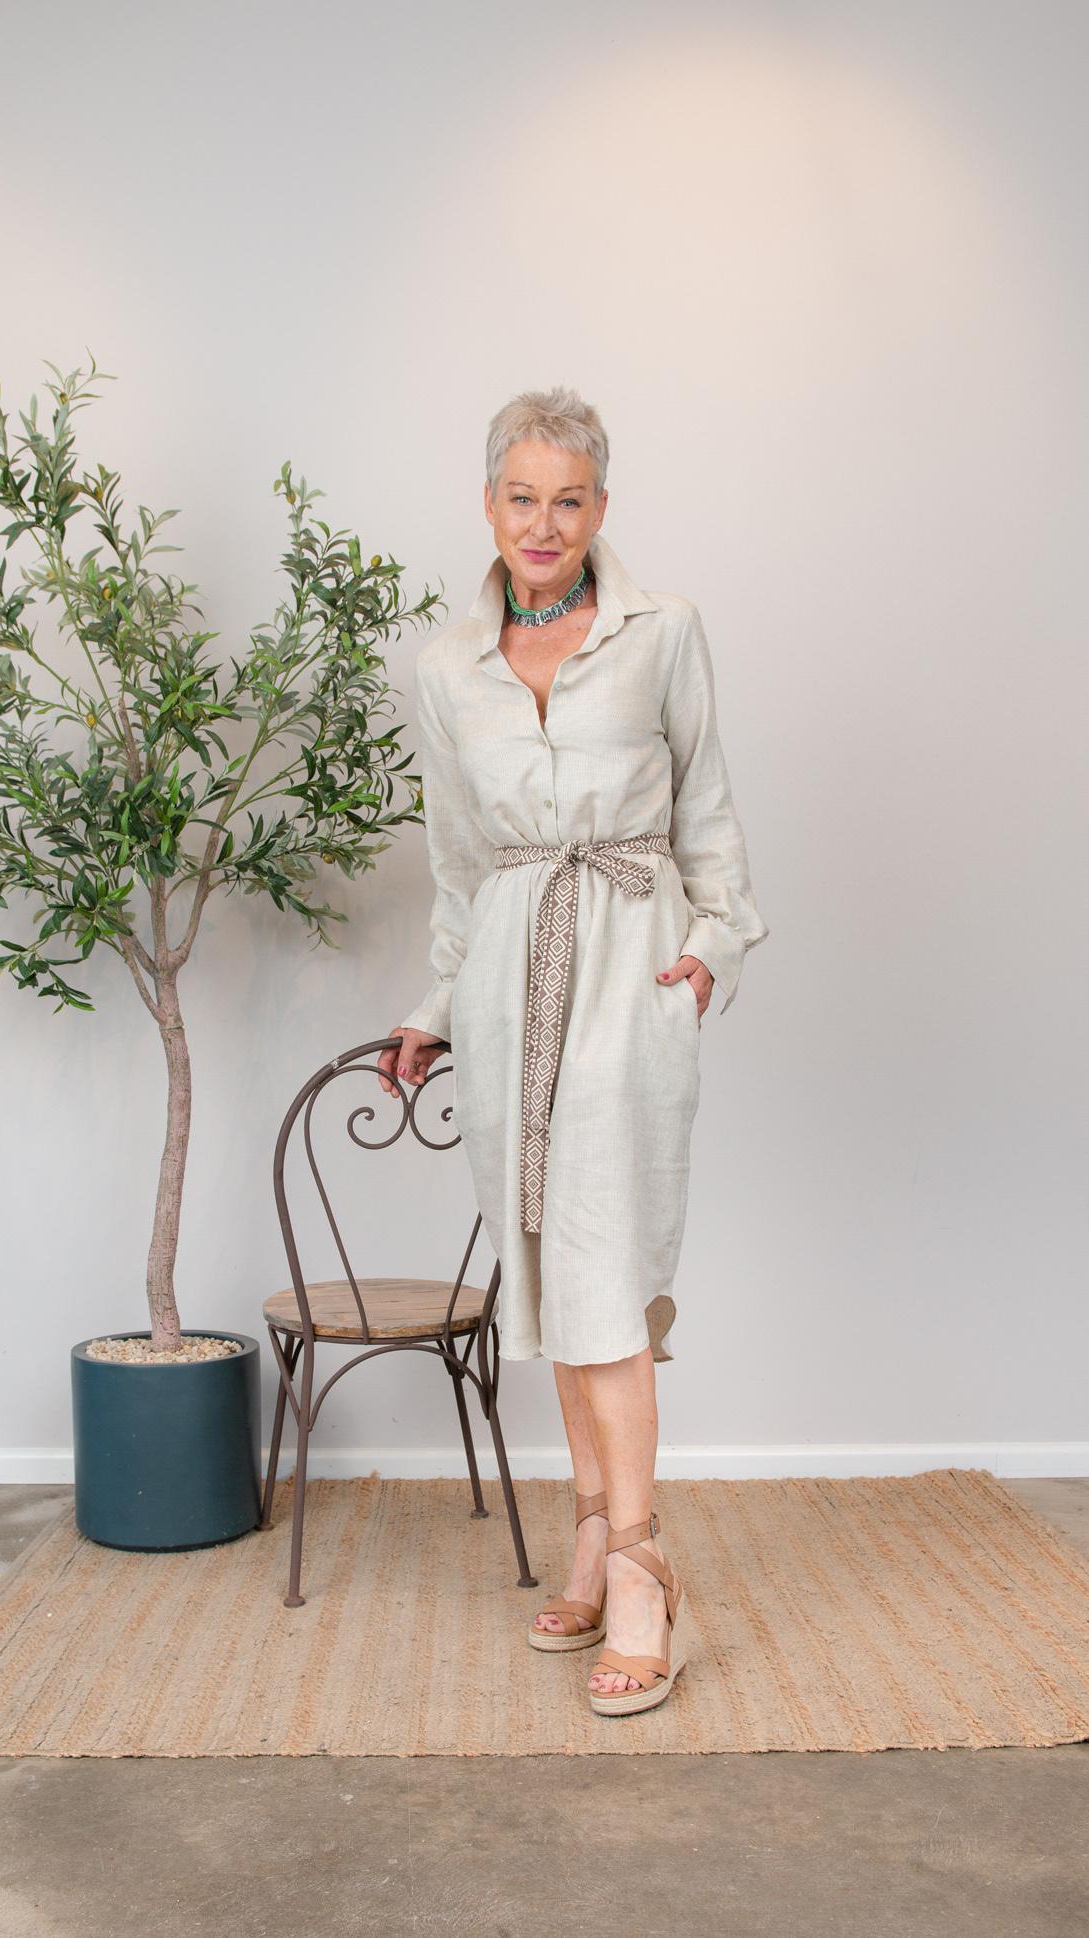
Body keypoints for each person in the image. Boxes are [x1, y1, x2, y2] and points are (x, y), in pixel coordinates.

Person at [378, 386, 768, 1717]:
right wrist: (437, 1005)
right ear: (488, 503)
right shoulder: (447, 667)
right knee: (548, 1267)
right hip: (504, 980)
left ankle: (645, 1566)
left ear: (601, 506)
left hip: (626, 965)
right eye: (521, 497)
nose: (543, 524)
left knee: (604, 1265)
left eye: (568, 499)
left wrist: (710, 948)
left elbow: (707, 805)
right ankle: (594, 1534)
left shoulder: (665, 633)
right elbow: (456, 859)